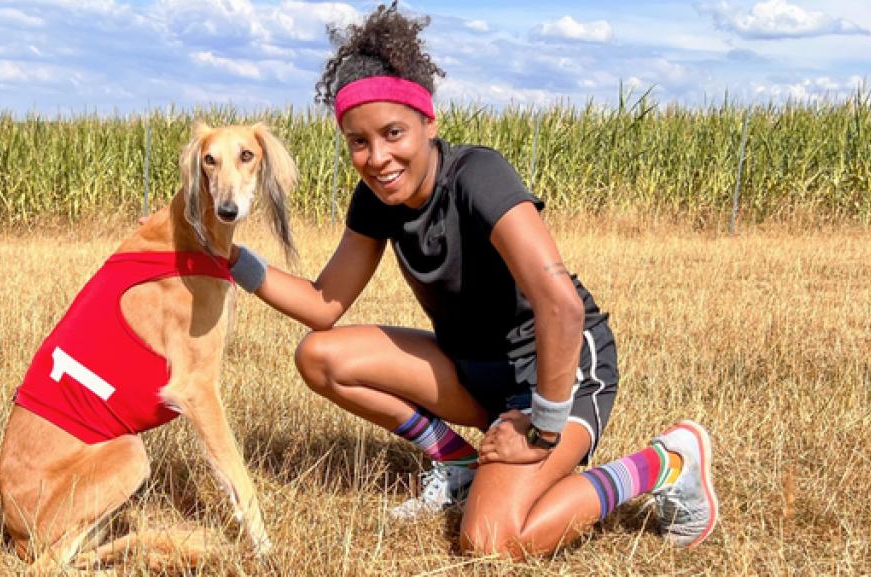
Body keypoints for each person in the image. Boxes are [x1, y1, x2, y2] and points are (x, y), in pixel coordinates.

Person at [224, 2, 719, 558]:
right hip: (474, 371)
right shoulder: (376, 200)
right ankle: (457, 462)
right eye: (358, 142)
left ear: (428, 121)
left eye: (393, 133)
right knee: (320, 355)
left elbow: (561, 306)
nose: (378, 157)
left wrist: (542, 428)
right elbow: (321, 304)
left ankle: (666, 461)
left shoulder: (478, 176)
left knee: (492, 541)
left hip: (555, 372)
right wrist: (229, 257)